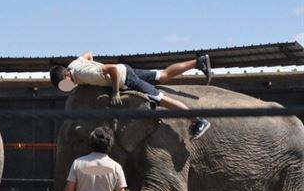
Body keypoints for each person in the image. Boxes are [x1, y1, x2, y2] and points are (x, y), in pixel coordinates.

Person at [50, 52, 212, 140]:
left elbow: (111, 69)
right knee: (161, 75)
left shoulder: (84, 74)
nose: (65, 89)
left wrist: (115, 91)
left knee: (159, 98)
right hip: (126, 69)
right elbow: (88, 54)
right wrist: (94, 64)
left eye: (63, 86)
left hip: (125, 78)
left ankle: (198, 120)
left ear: (65, 78)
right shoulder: (73, 65)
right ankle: (199, 62)